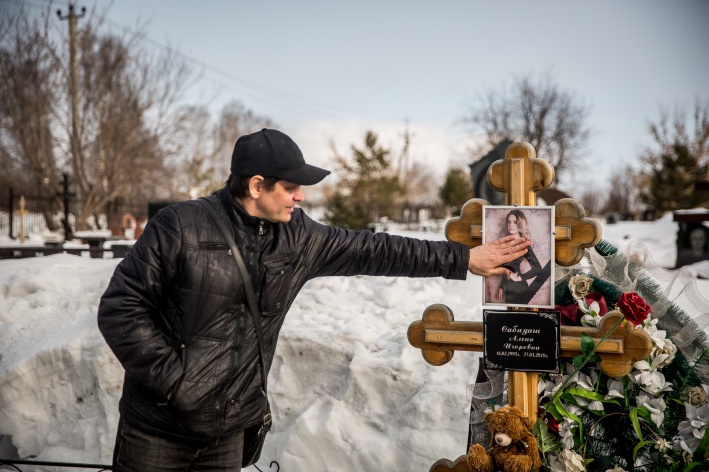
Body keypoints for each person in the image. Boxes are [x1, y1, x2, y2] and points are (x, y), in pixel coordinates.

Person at [97, 128, 530, 472]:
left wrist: (463, 258)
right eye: (291, 187)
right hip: (157, 431)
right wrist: (175, 384)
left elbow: (376, 250)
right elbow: (120, 308)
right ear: (255, 185)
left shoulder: (298, 238)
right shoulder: (180, 227)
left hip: (227, 434)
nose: (301, 196)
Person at [496, 209, 543, 305]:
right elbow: (506, 267)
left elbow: (538, 269)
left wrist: (520, 278)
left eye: (515, 222)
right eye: (509, 222)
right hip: (508, 290)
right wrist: (502, 286)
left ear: (520, 223)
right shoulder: (505, 244)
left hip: (520, 289)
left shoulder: (524, 245)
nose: (511, 225)